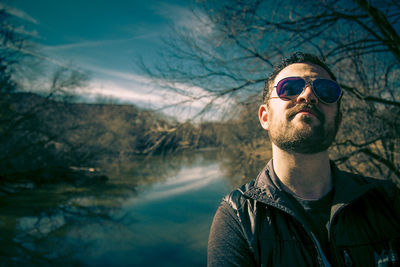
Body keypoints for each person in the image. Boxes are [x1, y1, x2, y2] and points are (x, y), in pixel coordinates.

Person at [207, 52, 400, 266]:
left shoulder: (388, 199)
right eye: (289, 88)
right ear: (265, 116)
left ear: (338, 120)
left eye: (325, 91)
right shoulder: (238, 217)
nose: (308, 95)